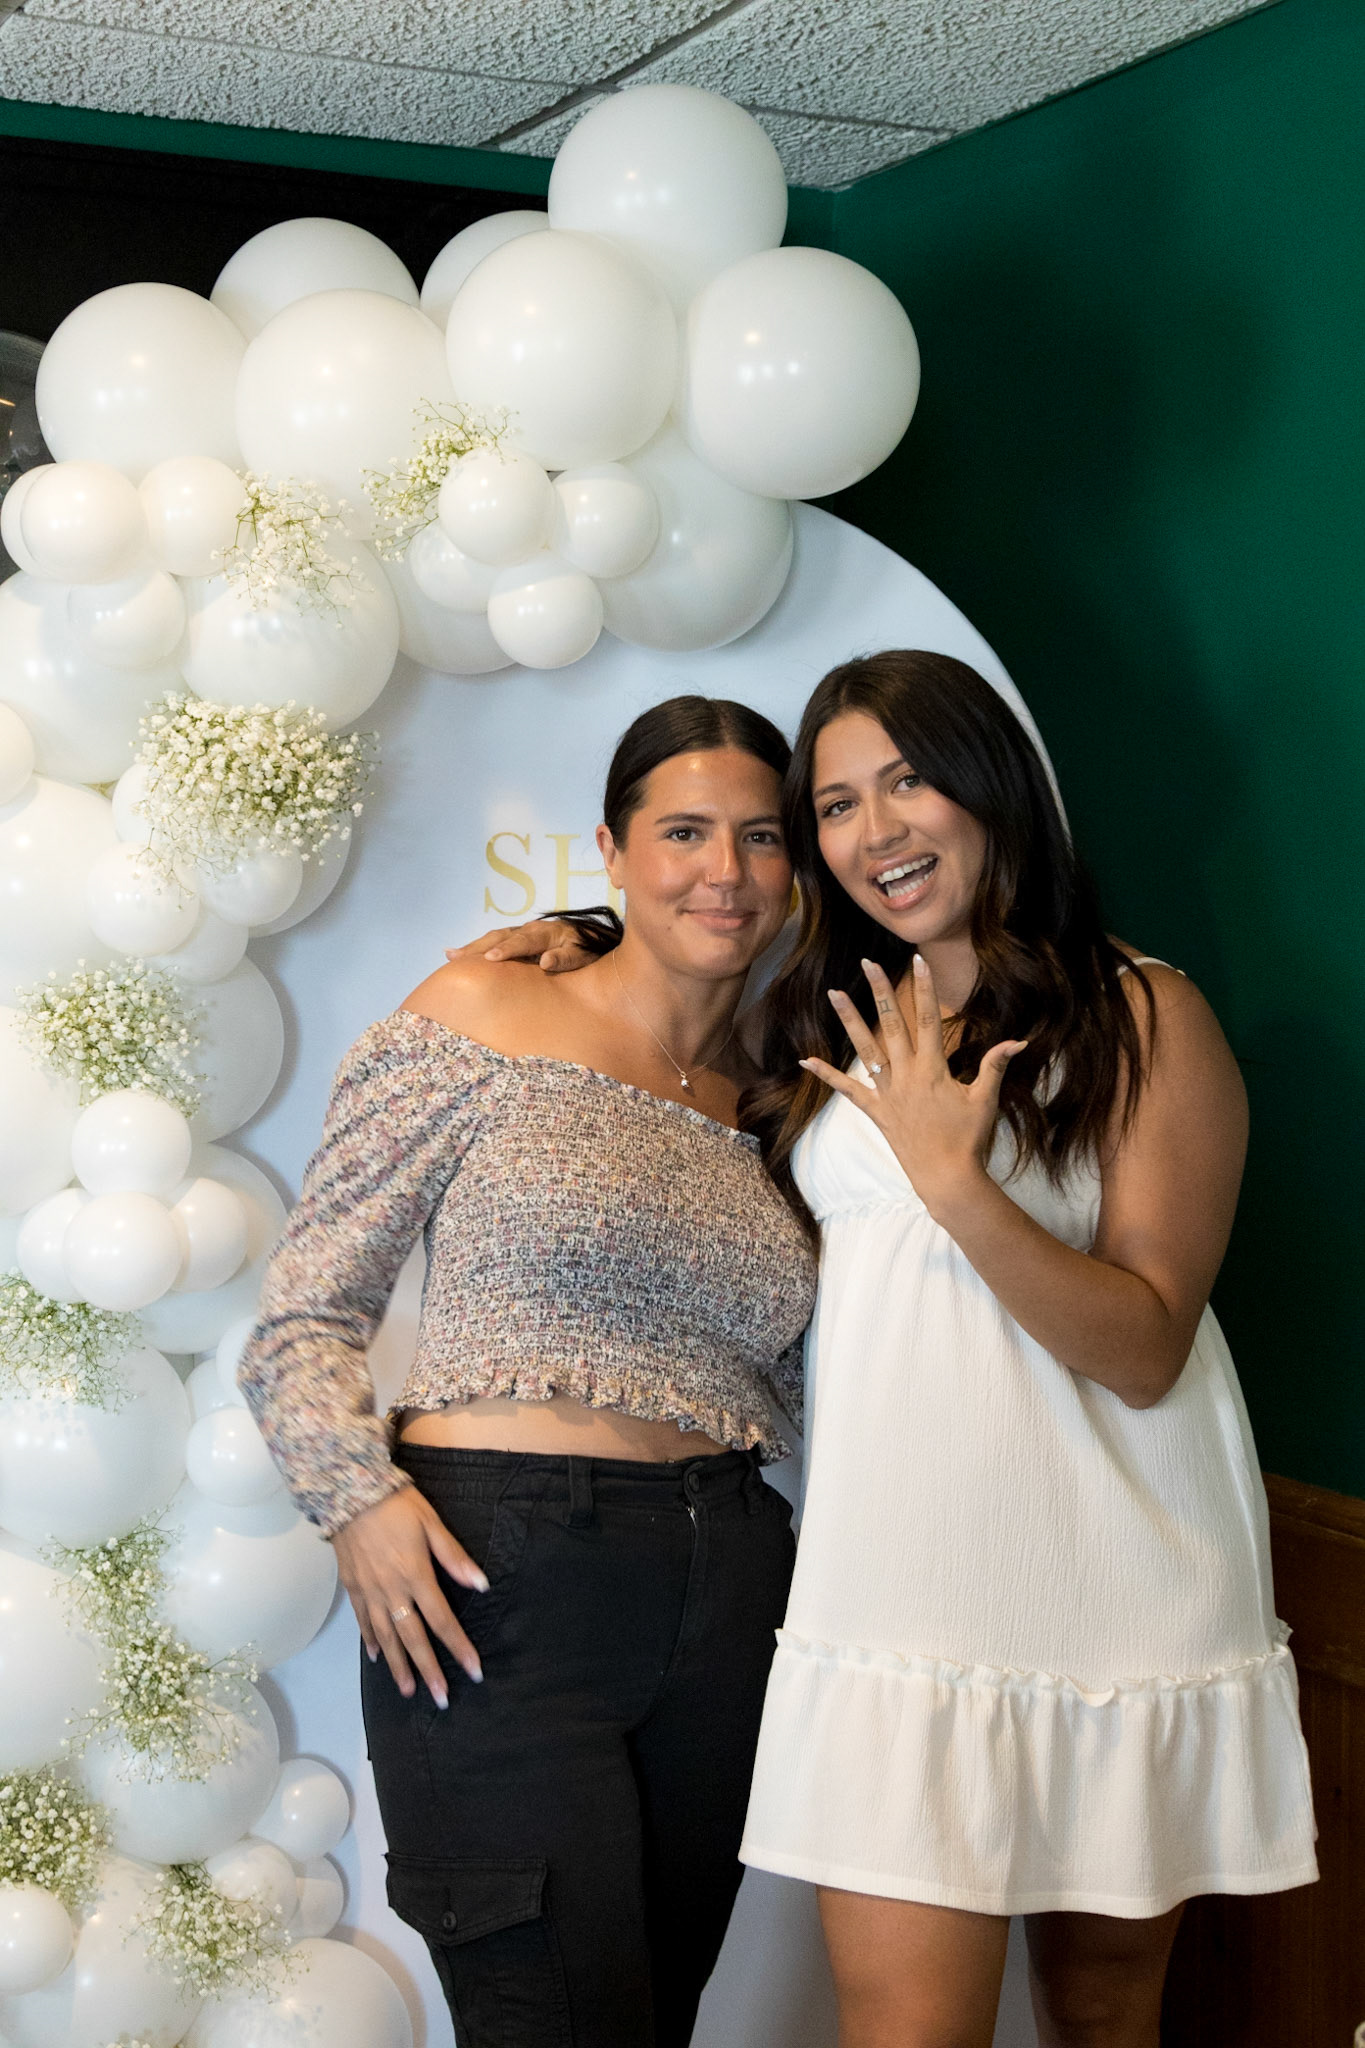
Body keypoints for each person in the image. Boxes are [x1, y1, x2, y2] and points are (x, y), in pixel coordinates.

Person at [464, 650, 1316, 2048]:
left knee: (1104, 2014)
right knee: (905, 2027)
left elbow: (1148, 1347)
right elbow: (666, 1009)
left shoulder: (1143, 1015)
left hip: (1117, 1582)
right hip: (896, 1595)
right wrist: (567, 932)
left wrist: (955, 1181)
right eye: (838, 804)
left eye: (908, 780)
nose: (877, 831)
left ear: (991, 785)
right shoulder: (823, 1023)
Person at [237, 695, 819, 2048]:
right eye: (683, 832)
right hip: (499, 1572)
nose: (724, 872)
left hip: (731, 1579)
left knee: (650, 2020)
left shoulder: (785, 1096)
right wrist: (357, 1500)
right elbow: (305, 1309)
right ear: (611, 850)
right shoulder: (483, 1010)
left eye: (760, 837)